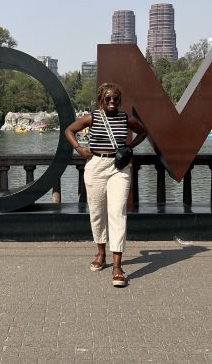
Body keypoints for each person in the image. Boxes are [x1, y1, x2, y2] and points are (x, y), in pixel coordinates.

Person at [65, 83, 147, 287]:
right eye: (108, 99)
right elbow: (69, 130)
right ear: (101, 99)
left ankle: (117, 266)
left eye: (116, 99)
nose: (112, 102)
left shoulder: (125, 118)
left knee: (118, 212)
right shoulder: (92, 117)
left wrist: (128, 147)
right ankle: (100, 253)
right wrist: (79, 149)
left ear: (120, 100)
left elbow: (143, 132)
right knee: (97, 212)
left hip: (118, 167)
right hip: (96, 165)